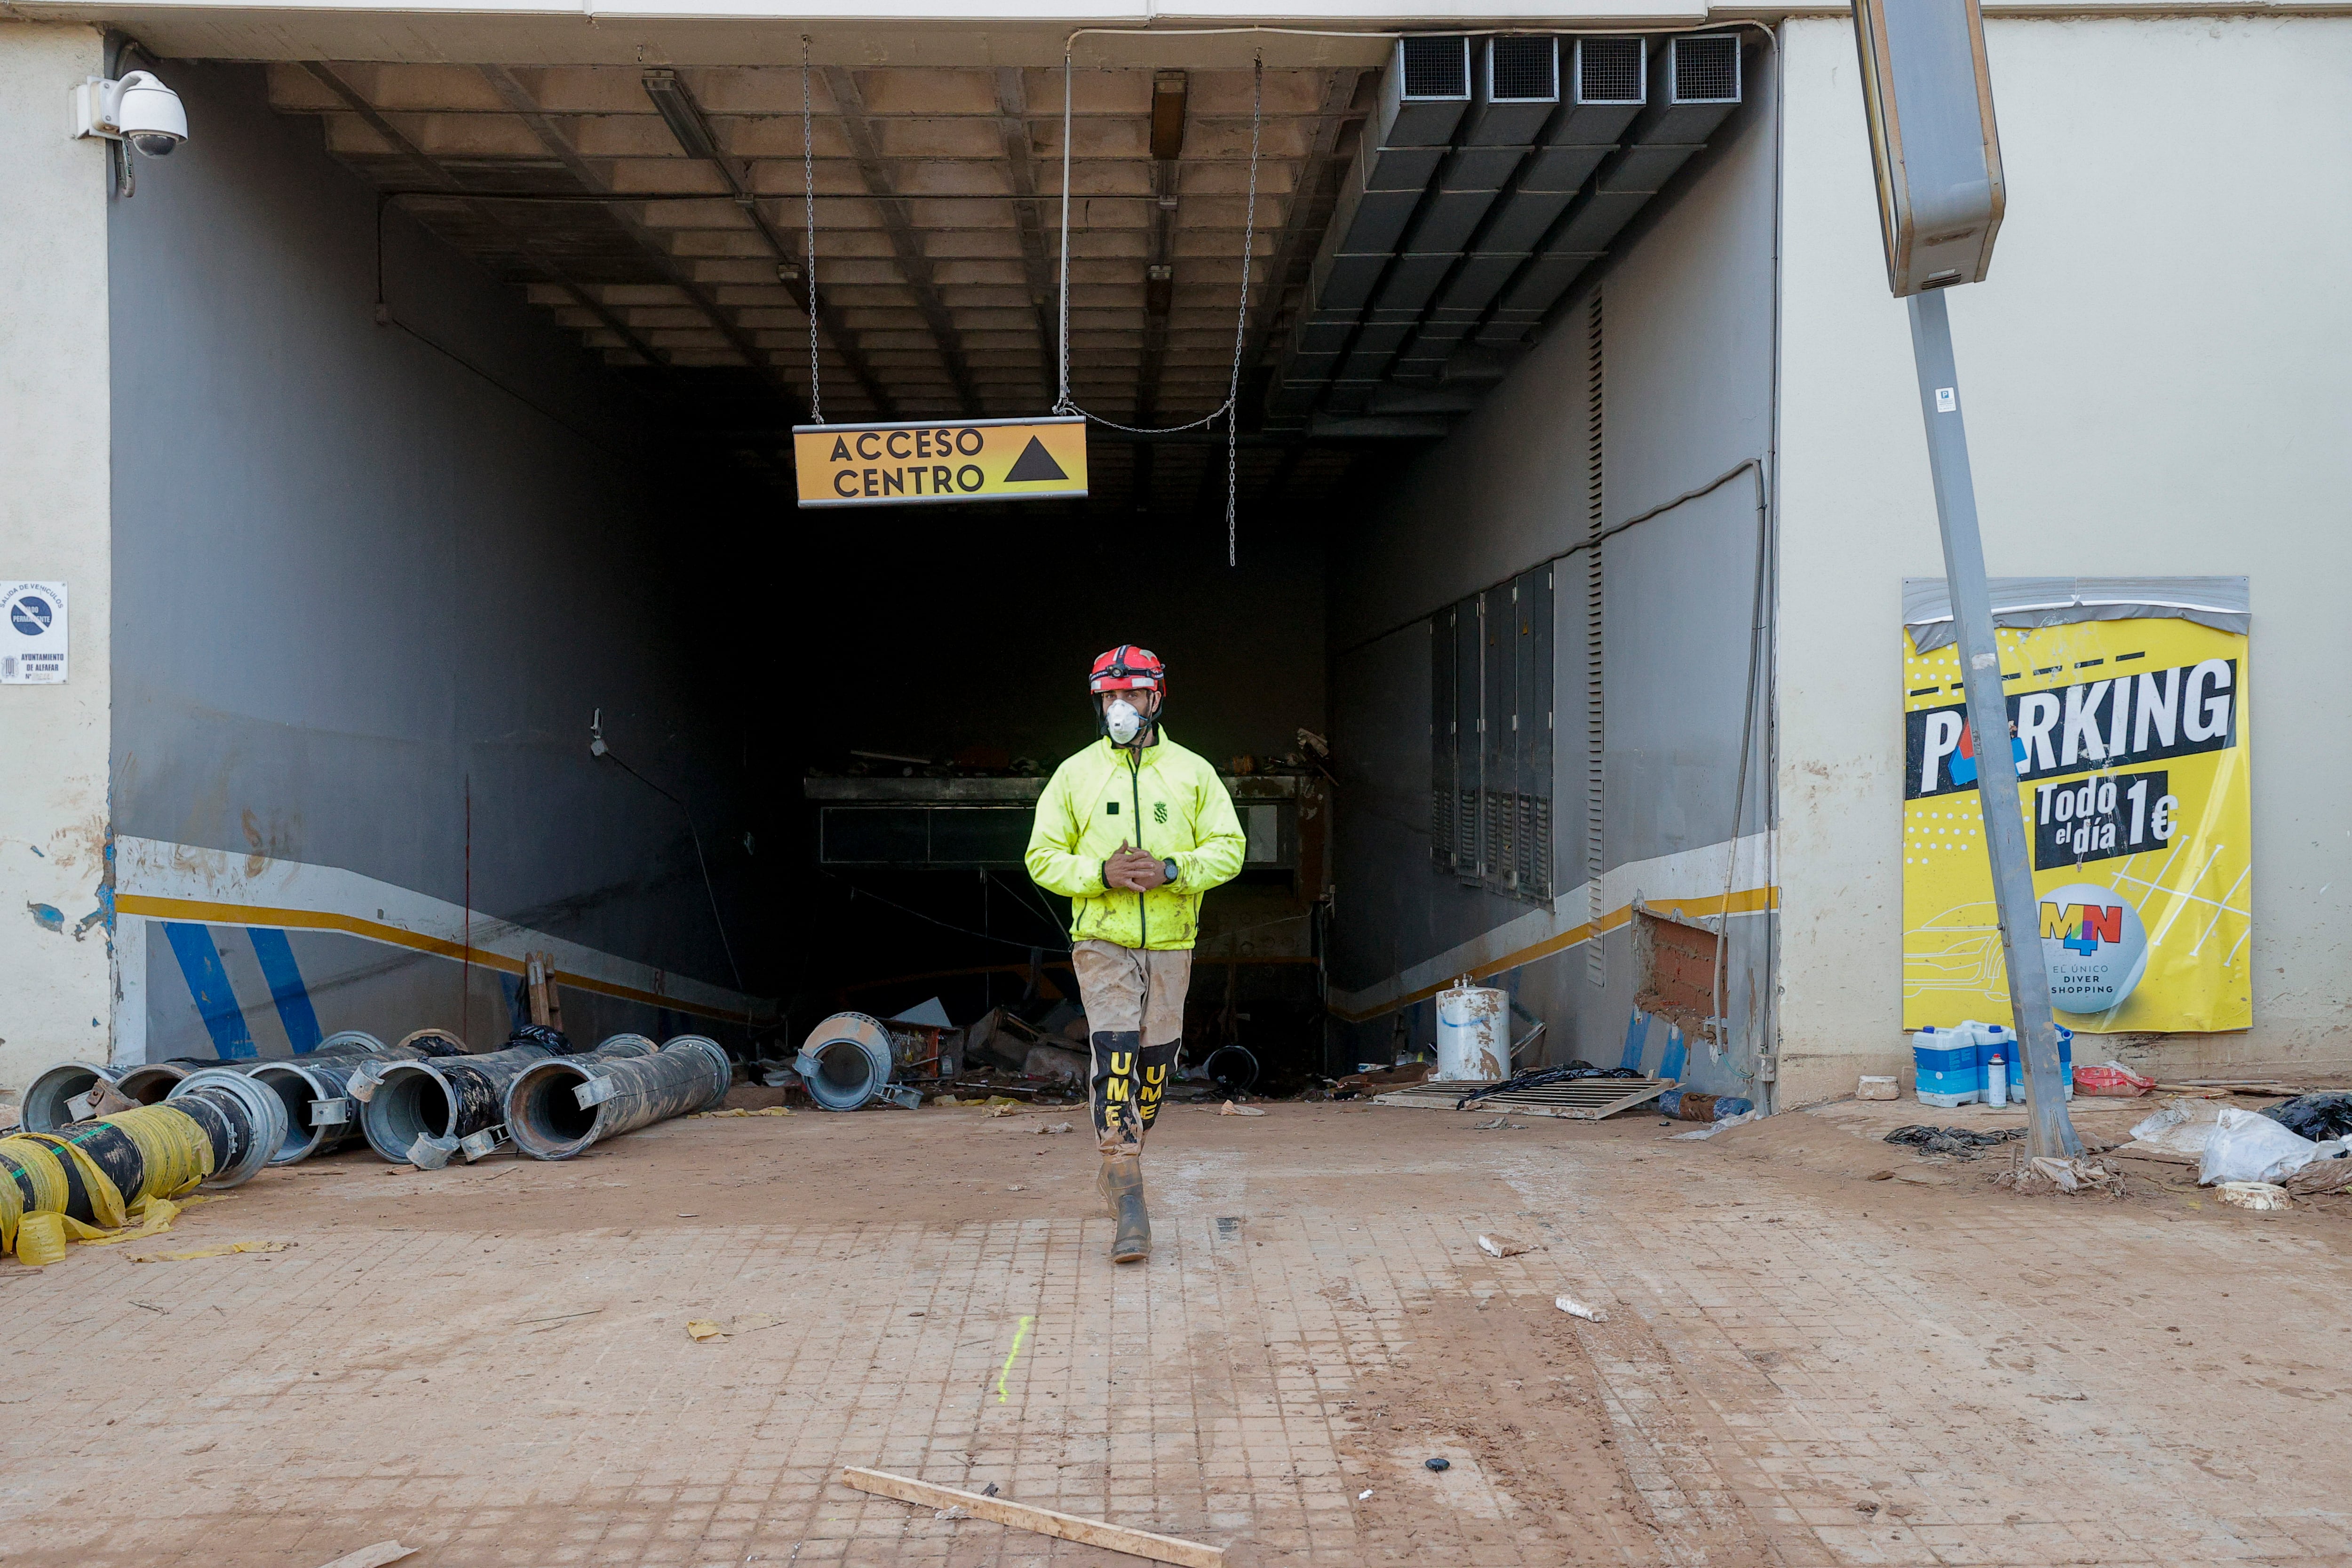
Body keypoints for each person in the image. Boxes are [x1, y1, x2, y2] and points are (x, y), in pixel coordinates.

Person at [1025, 646, 1246, 1264]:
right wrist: (1100, 872)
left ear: (1156, 698)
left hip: (1172, 939)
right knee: (1115, 1052)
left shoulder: (1193, 773)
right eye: (1108, 697)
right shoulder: (1074, 776)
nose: (1118, 708)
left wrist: (1175, 869)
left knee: (1154, 1066)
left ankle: (1125, 1156)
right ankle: (1127, 1189)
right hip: (1103, 938)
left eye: (1130, 695)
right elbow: (1041, 856)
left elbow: (1230, 847)